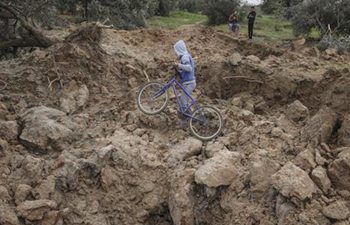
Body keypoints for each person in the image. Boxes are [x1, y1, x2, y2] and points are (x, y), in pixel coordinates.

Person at [174, 40, 196, 115]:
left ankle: (191, 119)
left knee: (183, 101)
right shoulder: (186, 56)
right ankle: (187, 118)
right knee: (183, 102)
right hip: (188, 83)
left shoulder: (185, 57)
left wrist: (179, 65)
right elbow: (184, 70)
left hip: (189, 83)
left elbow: (189, 68)